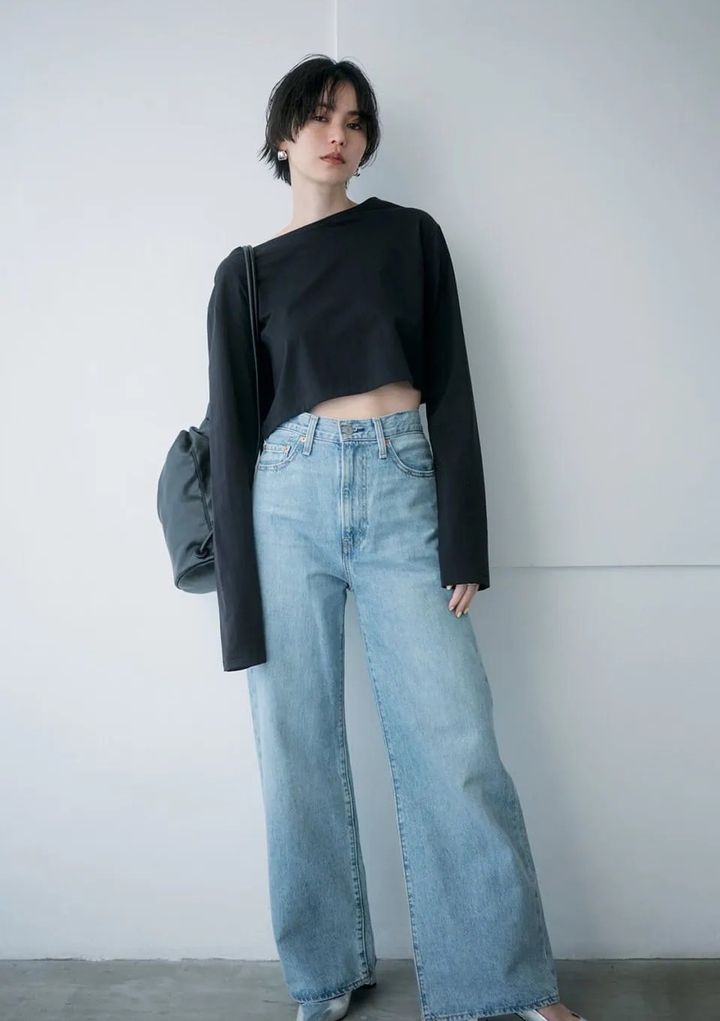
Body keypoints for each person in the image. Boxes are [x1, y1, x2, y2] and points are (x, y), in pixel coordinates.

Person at [206, 54, 590, 1021]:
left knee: (455, 739)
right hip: (285, 499)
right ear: (283, 136)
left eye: (354, 120)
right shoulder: (242, 275)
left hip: (401, 486)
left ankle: (503, 981)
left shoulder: (410, 237)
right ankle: (324, 973)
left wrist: (465, 540)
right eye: (318, 117)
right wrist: (240, 606)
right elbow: (233, 435)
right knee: (294, 748)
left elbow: (452, 384)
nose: (337, 134)